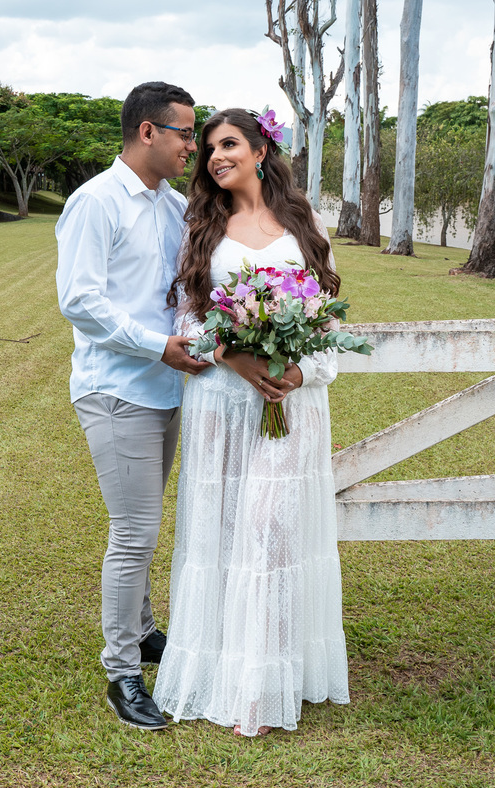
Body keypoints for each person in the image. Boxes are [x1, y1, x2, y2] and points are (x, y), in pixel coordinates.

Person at [152, 108, 350, 737]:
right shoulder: (203, 229)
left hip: (291, 403)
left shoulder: (303, 222)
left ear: (262, 149)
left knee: (273, 534)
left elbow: (331, 320)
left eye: (228, 143)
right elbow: (188, 323)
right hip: (224, 402)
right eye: (208, 148)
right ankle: (230, 675)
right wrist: (233, 355)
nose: (215, 156)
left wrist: (300, 372)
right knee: (227, 535)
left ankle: (267, 686)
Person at [56, 82, 211, 731]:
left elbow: (176, 290)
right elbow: (81, 302)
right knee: (134, 533)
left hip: (165, 387)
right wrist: (160, 347)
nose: (192, 146)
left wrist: (194, 331)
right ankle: (123, 671)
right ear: (147, 132)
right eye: (184, 133)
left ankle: (145, 631)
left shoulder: (173, 205)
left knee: (145, 525)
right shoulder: (96, 202)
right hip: (115, 390)